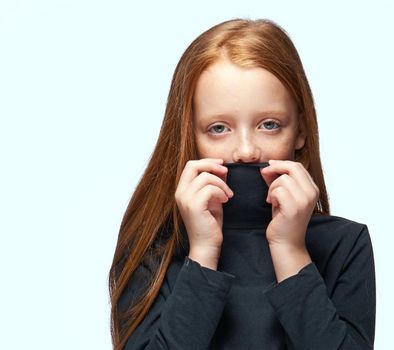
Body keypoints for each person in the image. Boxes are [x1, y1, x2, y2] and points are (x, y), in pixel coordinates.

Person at [108, 18, 376, 350]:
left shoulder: (344, 245)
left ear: (301, 131)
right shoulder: (151, 248)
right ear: (189, 135)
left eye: (269, 124)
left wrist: (291, 252)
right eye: (219, 128)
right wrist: (203, 254)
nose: (246, 151)